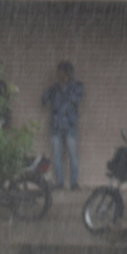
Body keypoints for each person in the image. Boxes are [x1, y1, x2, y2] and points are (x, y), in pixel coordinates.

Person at [41, 60, 85, 190]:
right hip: (55, 127)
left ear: (67, 73)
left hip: (69, 126)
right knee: (56, 156)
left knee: (73, 155)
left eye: (61, 72)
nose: (59, 75)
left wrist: (63, 89)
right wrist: (50, 89)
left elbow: (75, 99)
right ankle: (59, 183)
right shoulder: (54, 88)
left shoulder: (76, 86)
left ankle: (73, 183)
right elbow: (44, 100)